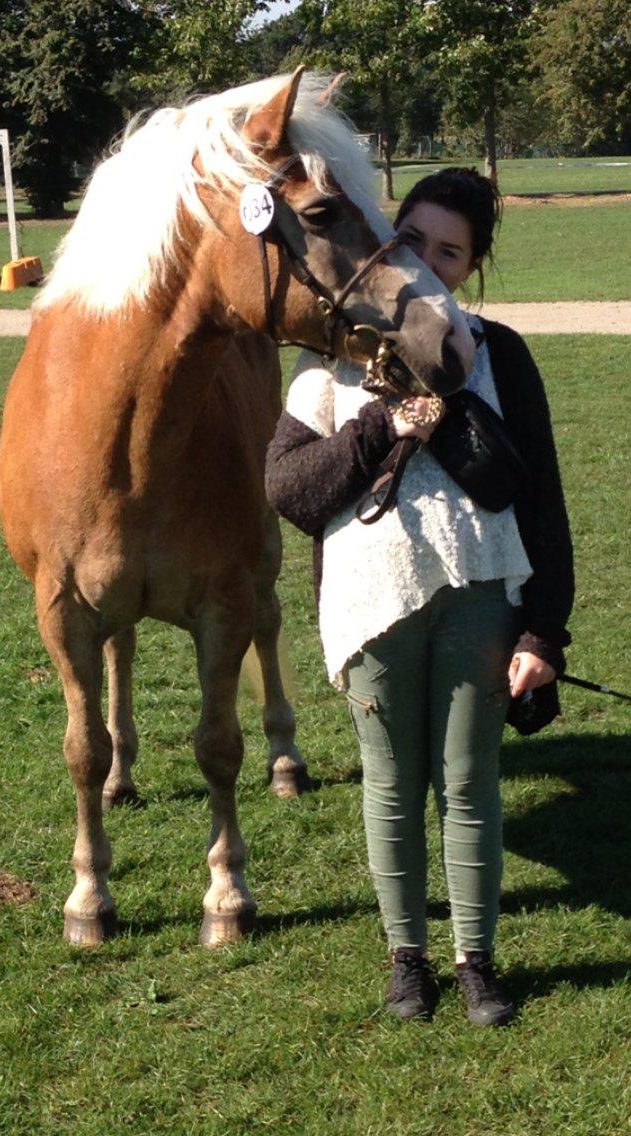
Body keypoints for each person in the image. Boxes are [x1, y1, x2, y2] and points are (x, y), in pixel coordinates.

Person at [265, 167, 573, 1027]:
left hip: (480, 596)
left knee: (470, 783)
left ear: (472, 265)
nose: (431, 261)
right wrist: (382, 424)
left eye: (452, 250)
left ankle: (477, 962)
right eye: (417, 241)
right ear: (388, 240)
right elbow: (291, 491)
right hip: (371, 602)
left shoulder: (498, 351)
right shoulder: (329, 358)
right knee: (392, 786)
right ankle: (409, 960)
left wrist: (545, 632)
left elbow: (540, 498)